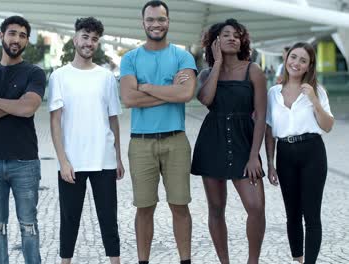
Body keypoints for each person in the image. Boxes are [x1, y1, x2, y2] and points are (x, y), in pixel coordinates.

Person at [120, 1, 197, 263]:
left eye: (161, 19)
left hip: (176, 140)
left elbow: (186, 93)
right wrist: (168, 92)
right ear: (143, 23)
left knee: (180, 206)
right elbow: (128, 98)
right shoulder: (130, 58)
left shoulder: (182, 56)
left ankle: (185, 260)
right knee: (144, 208)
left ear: (168, 21)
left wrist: (146, 87)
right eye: (151, 20)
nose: (156, 24)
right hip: (140, 144)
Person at [190, 19, 267, 264]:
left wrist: (255, 155)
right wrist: (218, 64)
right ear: (215, 42)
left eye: (237, 35)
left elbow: (262, 115)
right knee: (216, 208)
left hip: (245, 141)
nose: (232, 38)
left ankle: (252, 261)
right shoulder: (206, 73)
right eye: (226, 35)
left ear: (242, 41)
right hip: (213, 141)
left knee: (255, 207)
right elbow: (206, 99)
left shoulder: (253, 70)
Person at [48, 17, 124, 264]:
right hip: (72, 161)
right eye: (85, 37)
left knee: (108, 219)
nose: (89, 43)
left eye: (94, 39)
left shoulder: (106, 77)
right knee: (69, 219)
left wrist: (118, 157)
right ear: (75, 39)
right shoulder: (59, 76)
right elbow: (55, 122)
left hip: (104, 159)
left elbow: (113, 120)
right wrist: (63, 161)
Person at [0, 16, 46, 264]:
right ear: (1, 35)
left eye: (23, 35)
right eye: (12, 33)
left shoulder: (35, 73)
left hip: (25, 162)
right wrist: (17, 102)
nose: (17, 39)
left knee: (29, 226)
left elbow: (28, 109)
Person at [265, 42, 334, 264]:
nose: (296, 63)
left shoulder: (317, 91)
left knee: (311, 215)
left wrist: (314, 100)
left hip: (312, 152)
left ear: (308, 66)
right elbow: (268, 129)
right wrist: (270, 162)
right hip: (285, 153)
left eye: (303, 60)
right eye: (293, 57)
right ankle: (298, 259)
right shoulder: (273, 93)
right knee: (292, 214)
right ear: (286, 60)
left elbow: (327, 125)